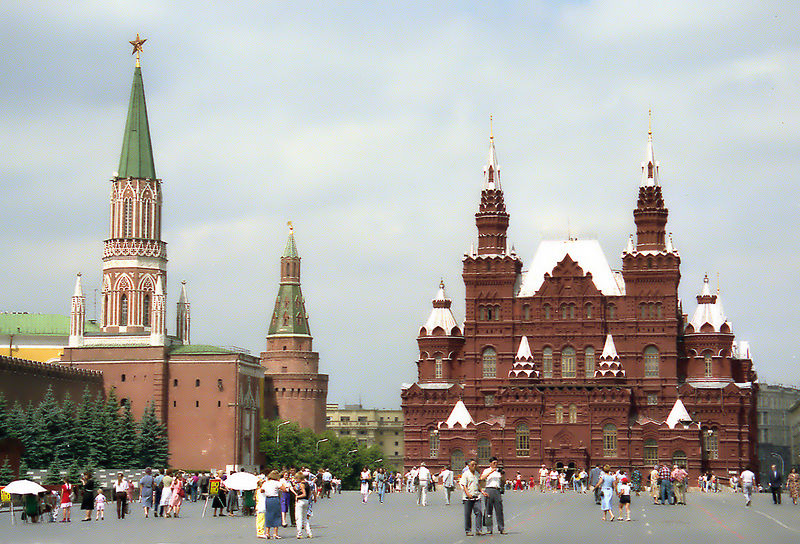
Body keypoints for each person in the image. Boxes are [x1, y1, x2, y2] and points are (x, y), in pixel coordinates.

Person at [460, 459, 485, 536]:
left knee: (479, 513)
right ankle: (468, 530)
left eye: (475, 465)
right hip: (468, 498)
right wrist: (467, 494)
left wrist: (482, 491)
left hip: (476, 497)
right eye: (472, 465)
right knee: (468, 514)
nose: (474, 466)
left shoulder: (476, 474)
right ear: (469, 466)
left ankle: (479, 530)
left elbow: (477, 484)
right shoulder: (465, 474)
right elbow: (463, 485)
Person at [481, 457, 505, 534]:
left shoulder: (499, 471)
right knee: (488, 510)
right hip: (489, 490)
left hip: (497, 490)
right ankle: (489, 529)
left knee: (499, 510)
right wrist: (491, 471)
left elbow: (503, 481)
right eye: (494, 463)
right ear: (490, 463)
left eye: (496, 463)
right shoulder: (486, 470)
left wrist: (503, 474)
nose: (495, 464)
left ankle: (501, 528)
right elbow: (482, 478)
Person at [260, 470, 285, 539]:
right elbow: (284, 489)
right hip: (275, 499)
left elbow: (261, 490)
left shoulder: (265, 483)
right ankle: (275, 533)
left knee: (268, 514)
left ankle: (267, 533)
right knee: (276, 515)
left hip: (268, 499)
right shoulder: (277, 483)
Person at [293, 472, 313, 539]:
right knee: (305, 518)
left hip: (300, 501)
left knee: (298, 518)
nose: (296, 479)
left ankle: (299, 534)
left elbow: (304, 494)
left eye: (296, 478)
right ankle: (309, 533)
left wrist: (297, 497)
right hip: (306, 501)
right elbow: (309, 493)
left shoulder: (302, 484)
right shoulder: (307, 484)